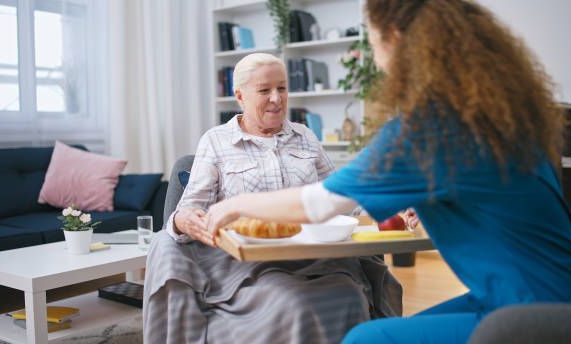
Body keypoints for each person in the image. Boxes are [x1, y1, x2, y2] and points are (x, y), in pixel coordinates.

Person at [205, 1, 571, 343]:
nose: (375, 57)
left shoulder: (428, 127)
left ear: (397, 39)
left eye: (373, 44)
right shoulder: (498, 114)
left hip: (533, 315)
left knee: (366, 340)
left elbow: (321, 203)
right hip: (567, 297)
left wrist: (239, 205)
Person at [142, 53, 402, 343]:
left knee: (352, 297)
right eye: (265, 90)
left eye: (282, 88)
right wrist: (181, 221)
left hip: (315, 261)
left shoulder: (306, 137)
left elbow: (342, 198)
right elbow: (189, 210)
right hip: (247, 267)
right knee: (294, 304)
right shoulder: (216, 141)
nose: (277, 98)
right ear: (240, 95)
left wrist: (396, 209)